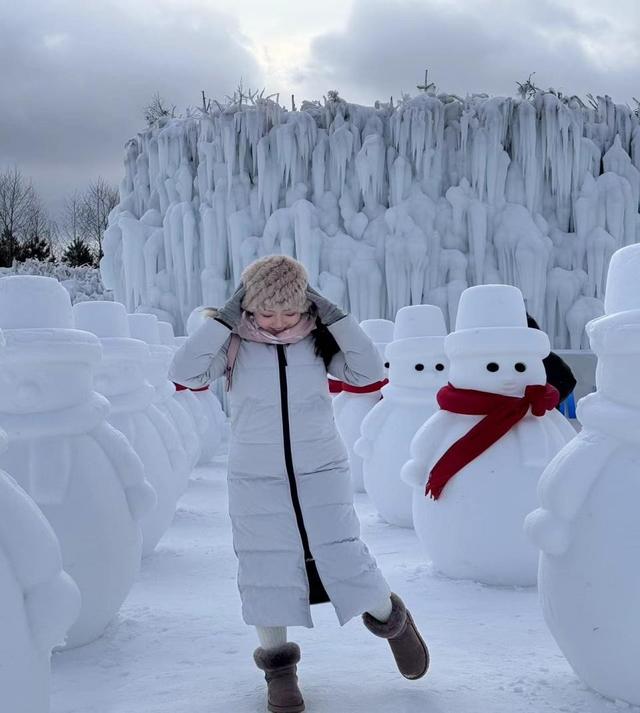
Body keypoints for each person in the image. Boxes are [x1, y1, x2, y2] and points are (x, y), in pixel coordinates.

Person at [170, 255, 428, 713]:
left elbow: (370, 373)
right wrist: (223, 320)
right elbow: (184, 372)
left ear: (307, 306)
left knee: (345, 554)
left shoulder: (318, 339)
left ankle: (393, 620)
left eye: (289, 311)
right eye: (265, 312)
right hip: (255, 475)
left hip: (322, 469)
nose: (277, 322)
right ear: (246, 307)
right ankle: (279, 670)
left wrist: (338, 319)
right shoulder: (232, 343)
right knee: (264, 567)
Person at [526, 314, 577, 403]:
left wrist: (548, 400)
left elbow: (568, 381)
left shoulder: (547, 358)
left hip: (542, 413)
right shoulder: (548, 358)